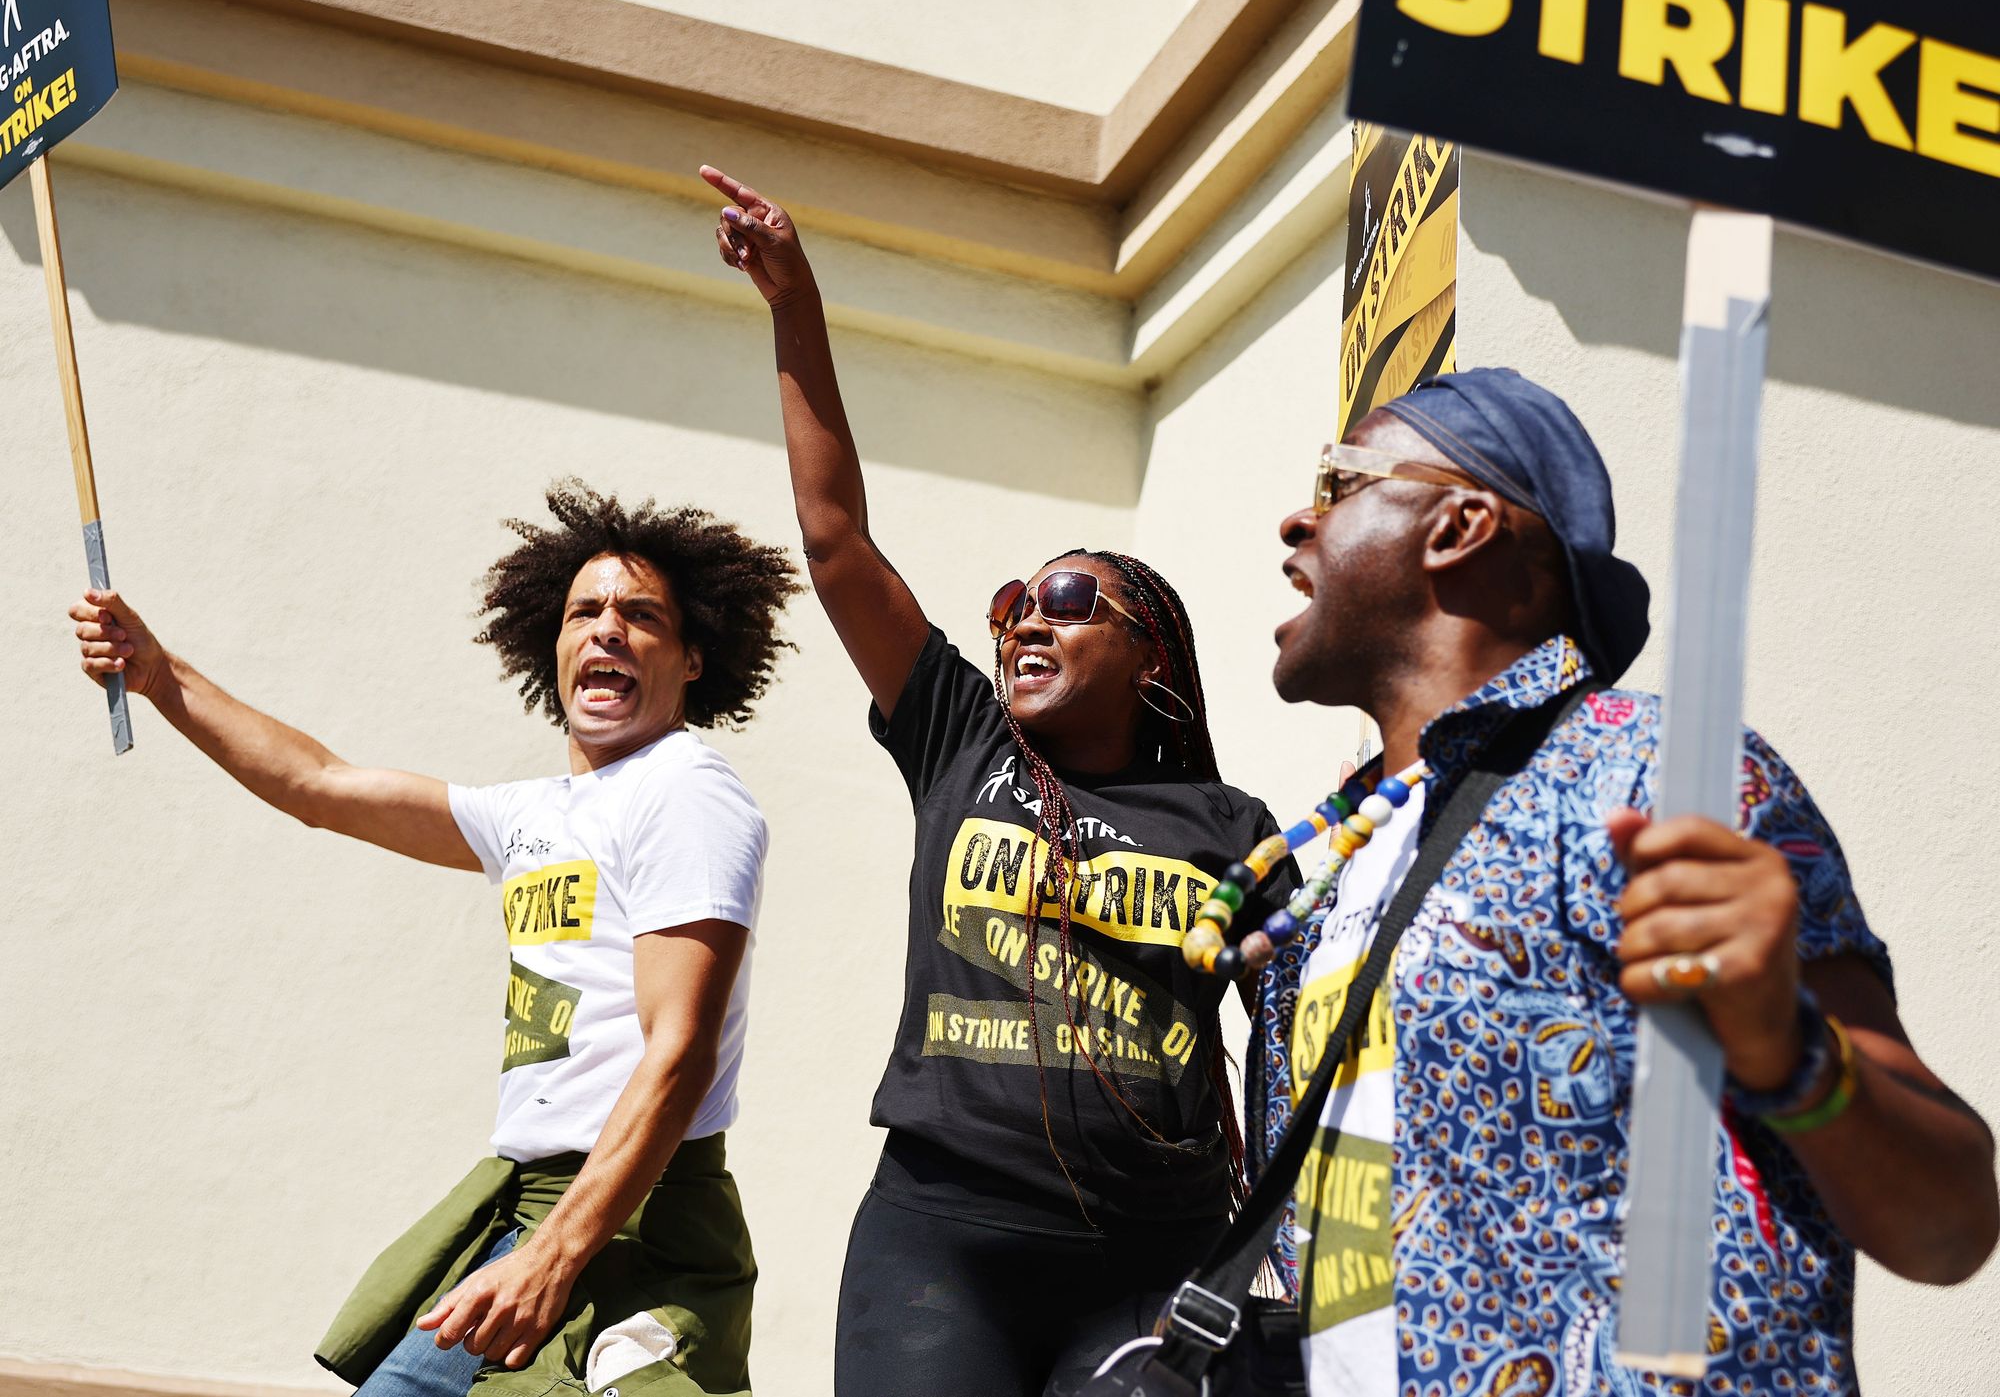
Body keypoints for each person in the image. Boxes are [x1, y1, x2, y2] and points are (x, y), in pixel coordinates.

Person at [1257, 368, 1997, 1394]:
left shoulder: (1646, 777)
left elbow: (1949, 1226)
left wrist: (1788, 1046)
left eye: (1338, 485)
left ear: (1457, 526)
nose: (1298, 522)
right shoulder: (1339, 859)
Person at [699, 163, 1302, 1397]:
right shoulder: (959, 740)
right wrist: (793, 302)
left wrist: (1281, 1243)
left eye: (1071, 602)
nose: (1029, 618)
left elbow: (1292, 1033)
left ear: (1150, 655)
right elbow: (833, 541)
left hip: (1161, 1249)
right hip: (946, 1240)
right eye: (1015, 603)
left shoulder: (1228, 825)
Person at [69, 481, 800, 1397]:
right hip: (524, 1205)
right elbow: (317, 784)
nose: (606, 626)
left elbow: (680, 1048)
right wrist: (155, 672)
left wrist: (556, 1256)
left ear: (693, 658)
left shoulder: (685, 789)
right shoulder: (531, 813)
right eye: (584, 611)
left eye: (641, 614)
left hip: (635, 1221)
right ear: (555, 645)